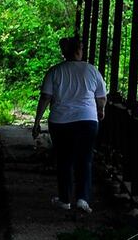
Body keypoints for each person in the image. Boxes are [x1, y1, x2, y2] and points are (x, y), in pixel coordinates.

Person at [32, 36, 106, 212]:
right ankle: (82, 199)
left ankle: (65, 199)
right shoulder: (91, 70)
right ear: (79, 50)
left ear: (64, 52)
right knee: (85, 159)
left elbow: (45, 98)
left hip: (61, 122)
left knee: (64, 160)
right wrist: (100, 110)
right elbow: (101, 97)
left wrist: (37, 121)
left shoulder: (55, 71)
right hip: (87, 121)